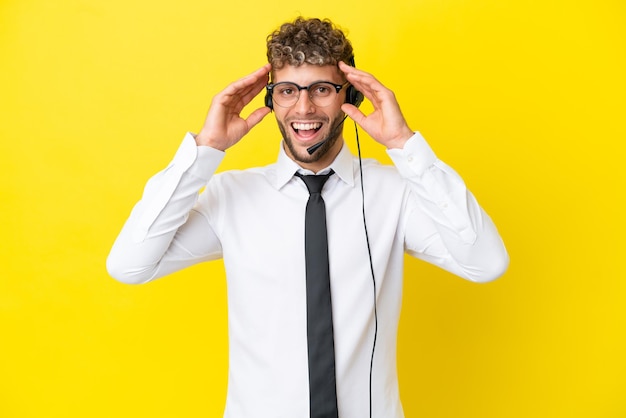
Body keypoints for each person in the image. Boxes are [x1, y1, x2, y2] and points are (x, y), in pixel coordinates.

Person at [107, 16, 509, 418]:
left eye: (321, 89)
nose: (303, 107)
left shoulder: (395, 192)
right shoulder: (231, 196)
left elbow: (487, 263)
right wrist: (206, 149)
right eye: (287, 91)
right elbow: (129, 266)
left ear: (351, 95)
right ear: (270, 99)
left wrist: (405, 146)